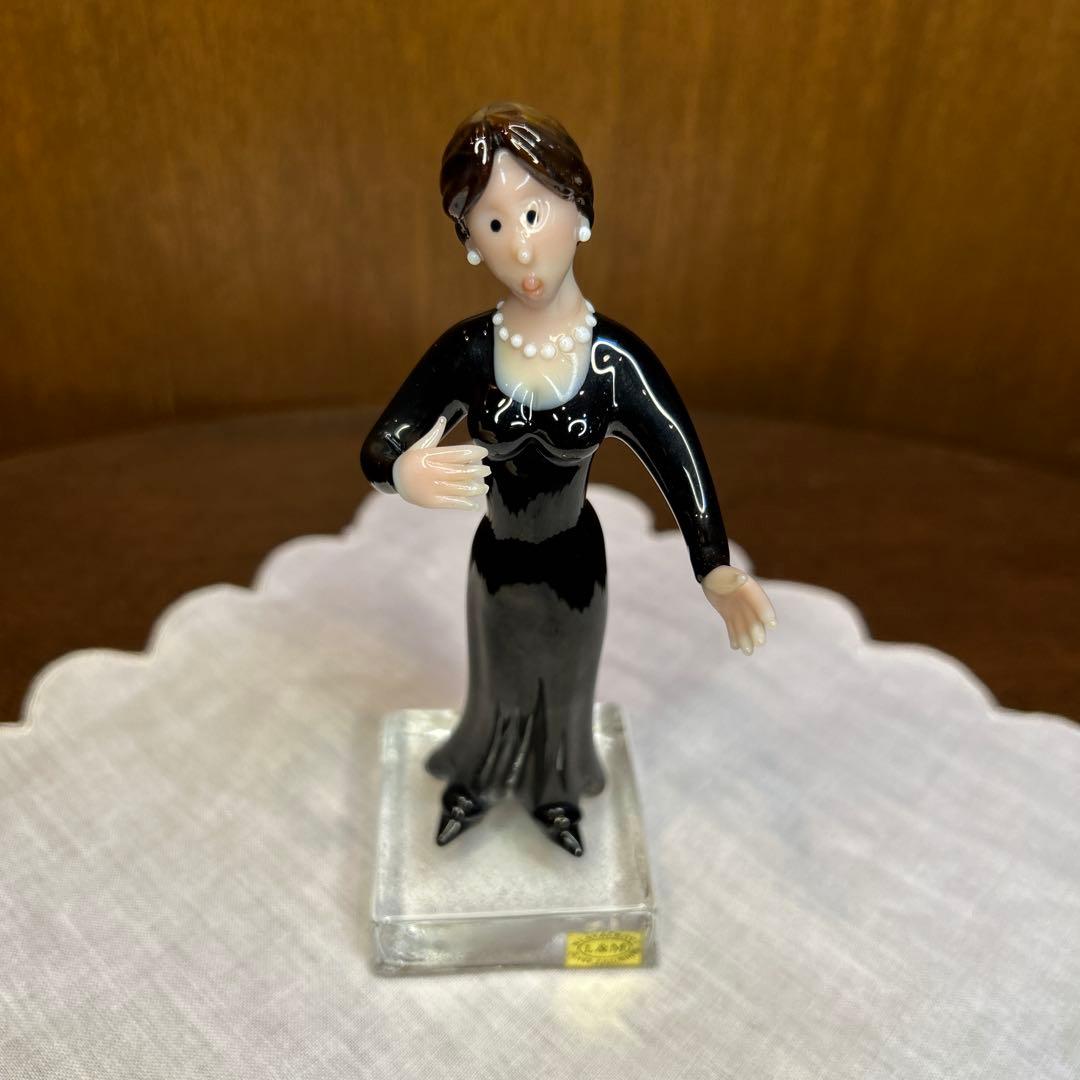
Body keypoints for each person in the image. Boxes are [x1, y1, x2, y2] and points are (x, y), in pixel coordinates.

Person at [361, 103, 775, 857]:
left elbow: (679, 456)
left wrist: (714, 566)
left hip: (575, 562)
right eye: (493, 224)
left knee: (566, 681)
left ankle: (555, 793)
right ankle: (480, 781)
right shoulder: (467, 352)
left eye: (532, 212)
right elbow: (384, 440)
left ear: (579, 211)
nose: (519, 244)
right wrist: (402, 467)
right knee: (495, 679)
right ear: (468, 242)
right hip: (498, 559)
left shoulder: (615, 361)